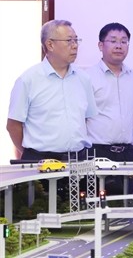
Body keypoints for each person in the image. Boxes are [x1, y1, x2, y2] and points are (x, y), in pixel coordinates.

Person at [7, 19, 97, 162]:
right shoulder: (28, 80)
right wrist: (30, 153)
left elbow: (85, 119)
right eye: (69, 40)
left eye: (76, 40)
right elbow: (13, 125)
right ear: (50, 45)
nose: (75, 46)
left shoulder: (83, 79)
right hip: (41, 161)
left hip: (77, 160)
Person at [85, 22, 133, 194]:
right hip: (96, 152)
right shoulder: (87, 77)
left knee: (125, 202)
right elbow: (80, 117)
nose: (119, 46)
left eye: (124, 41)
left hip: (127, 153)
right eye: (113, 41)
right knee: (96, 203)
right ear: (101, 45)